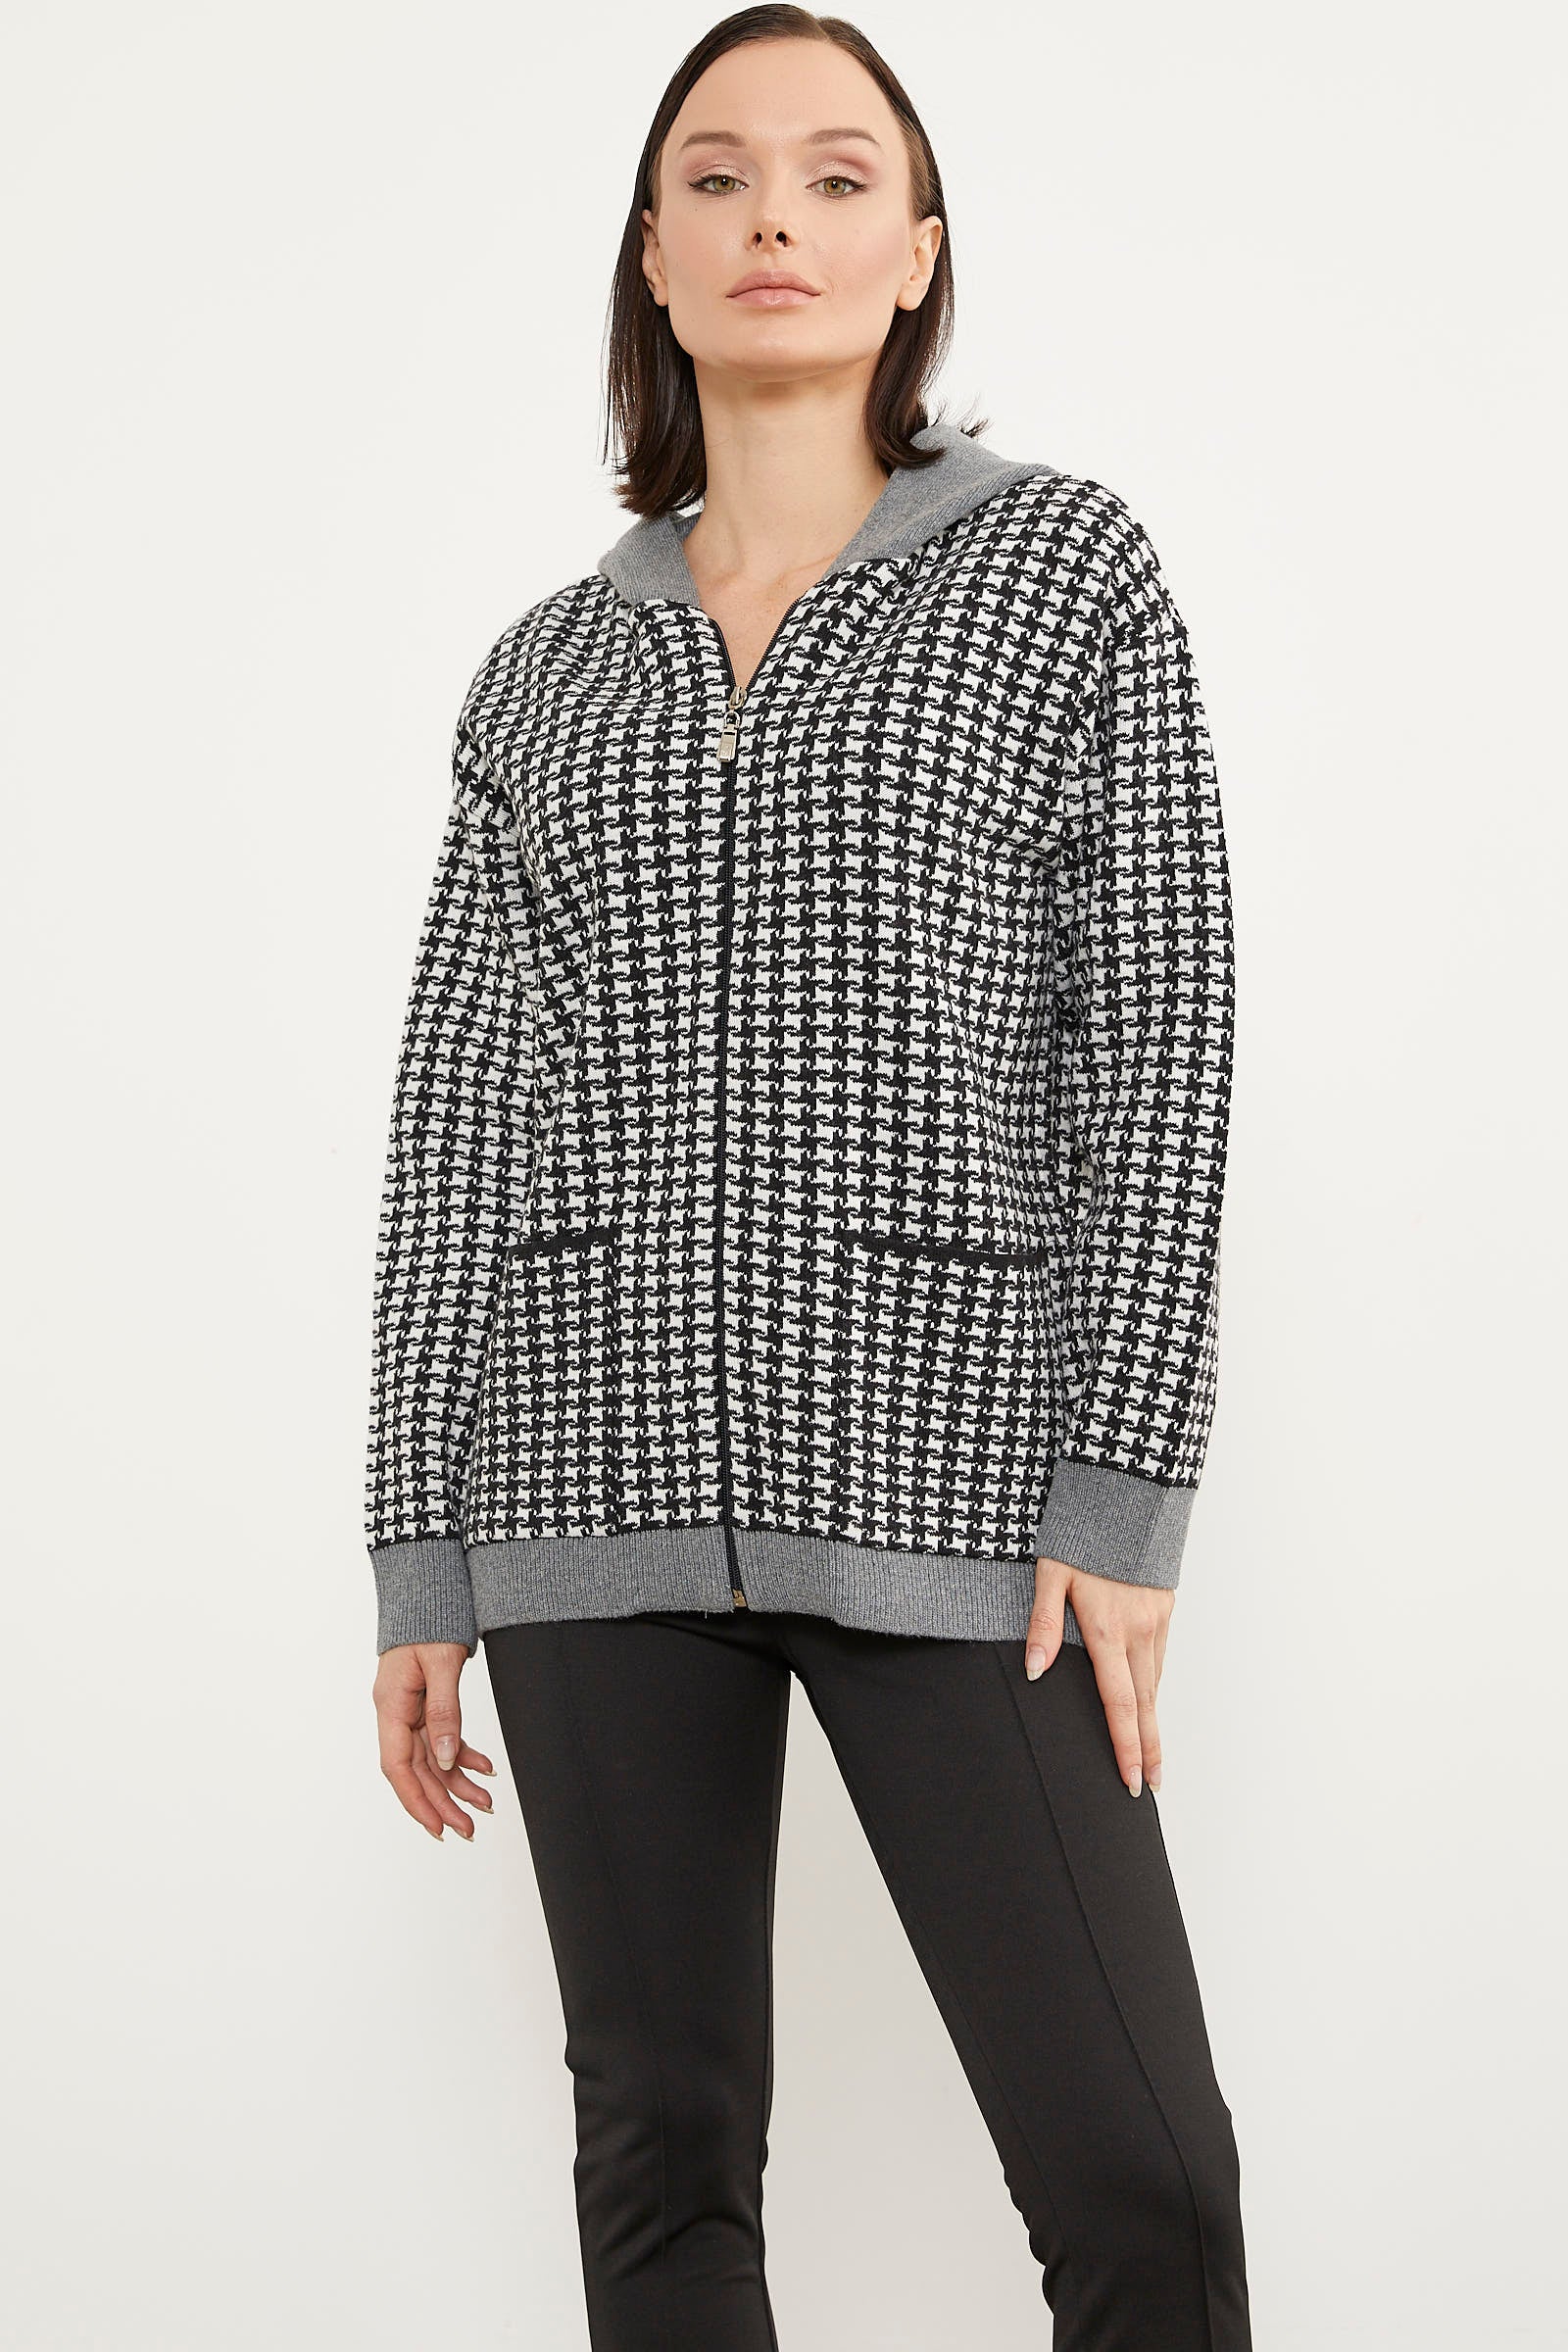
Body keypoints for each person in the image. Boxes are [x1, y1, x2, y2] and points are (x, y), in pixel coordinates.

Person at [364, 10, 1252, 2346]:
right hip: (580, 1476)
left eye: (838, 176)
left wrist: (1121, 1481)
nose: (776, 215)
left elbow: (1156, 1038)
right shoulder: (543, 671)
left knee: (1137, 2174)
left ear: (915, 249)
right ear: (653, 256)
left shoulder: (1063, 574)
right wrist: (416, 1550)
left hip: (961, 1467)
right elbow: (457, 1112)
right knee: (659, 2160)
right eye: (719, 177)